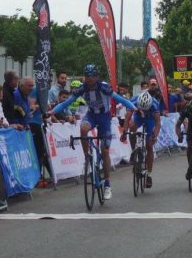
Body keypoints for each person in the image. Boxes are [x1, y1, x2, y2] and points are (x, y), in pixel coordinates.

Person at [52, 64, 136, 200]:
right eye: (86, 76)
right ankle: (87, 157)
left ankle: (107, 184)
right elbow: (66, 103)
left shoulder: (103, 87)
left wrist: (133, 107)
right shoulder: (82, 88)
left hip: (104, 118)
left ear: (97, 77)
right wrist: (52, 111)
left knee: (105, 150)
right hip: (91, 115)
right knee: (83, 128)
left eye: (91, 76)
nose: (89, 79)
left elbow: (120, 99)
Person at [121, 91, 161, 189]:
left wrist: (154, 135)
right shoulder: (133, 101)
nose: (144, 109)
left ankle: (149, 175)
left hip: (150, 119)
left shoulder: (154, 104)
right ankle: (134, 149)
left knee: (149, 146)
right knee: (132, 128)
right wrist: (124, 132)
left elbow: (158, 124)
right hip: (138, 117)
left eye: (145, 108)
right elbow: (127, 118)